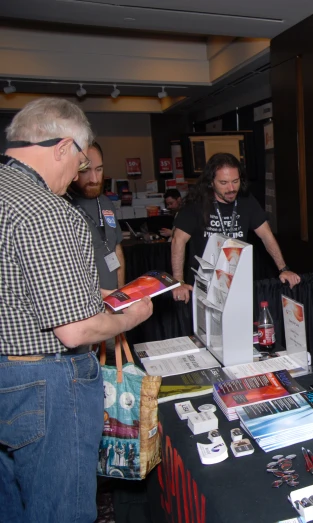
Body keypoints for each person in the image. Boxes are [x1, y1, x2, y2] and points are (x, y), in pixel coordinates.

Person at [0, 98, 153, 523]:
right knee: (60, 511)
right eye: (81, 162)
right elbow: (76, 329)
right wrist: (131, 316)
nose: (79, 175)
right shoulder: (46, 209)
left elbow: (20, 286)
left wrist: (100, 290)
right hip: (44, 384)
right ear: (63, 147)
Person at [171, 152, 300, 302]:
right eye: (224, 183)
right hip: (204, 283)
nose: (231, 188)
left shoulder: (246, 201)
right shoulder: (197, 203)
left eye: (235, 181)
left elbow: (266, 235)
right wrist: (178, 282)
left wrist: (283, 269)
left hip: (237, 281)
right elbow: (178, 240)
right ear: (211, 182)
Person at [68, 140, 125, 292]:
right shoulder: (62, 207)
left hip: (112, 300)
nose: (94, 179)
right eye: (85, 170)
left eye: (99, 169)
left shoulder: (105, 202)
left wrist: (120, 295)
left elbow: (116, 248)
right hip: (84, 304)